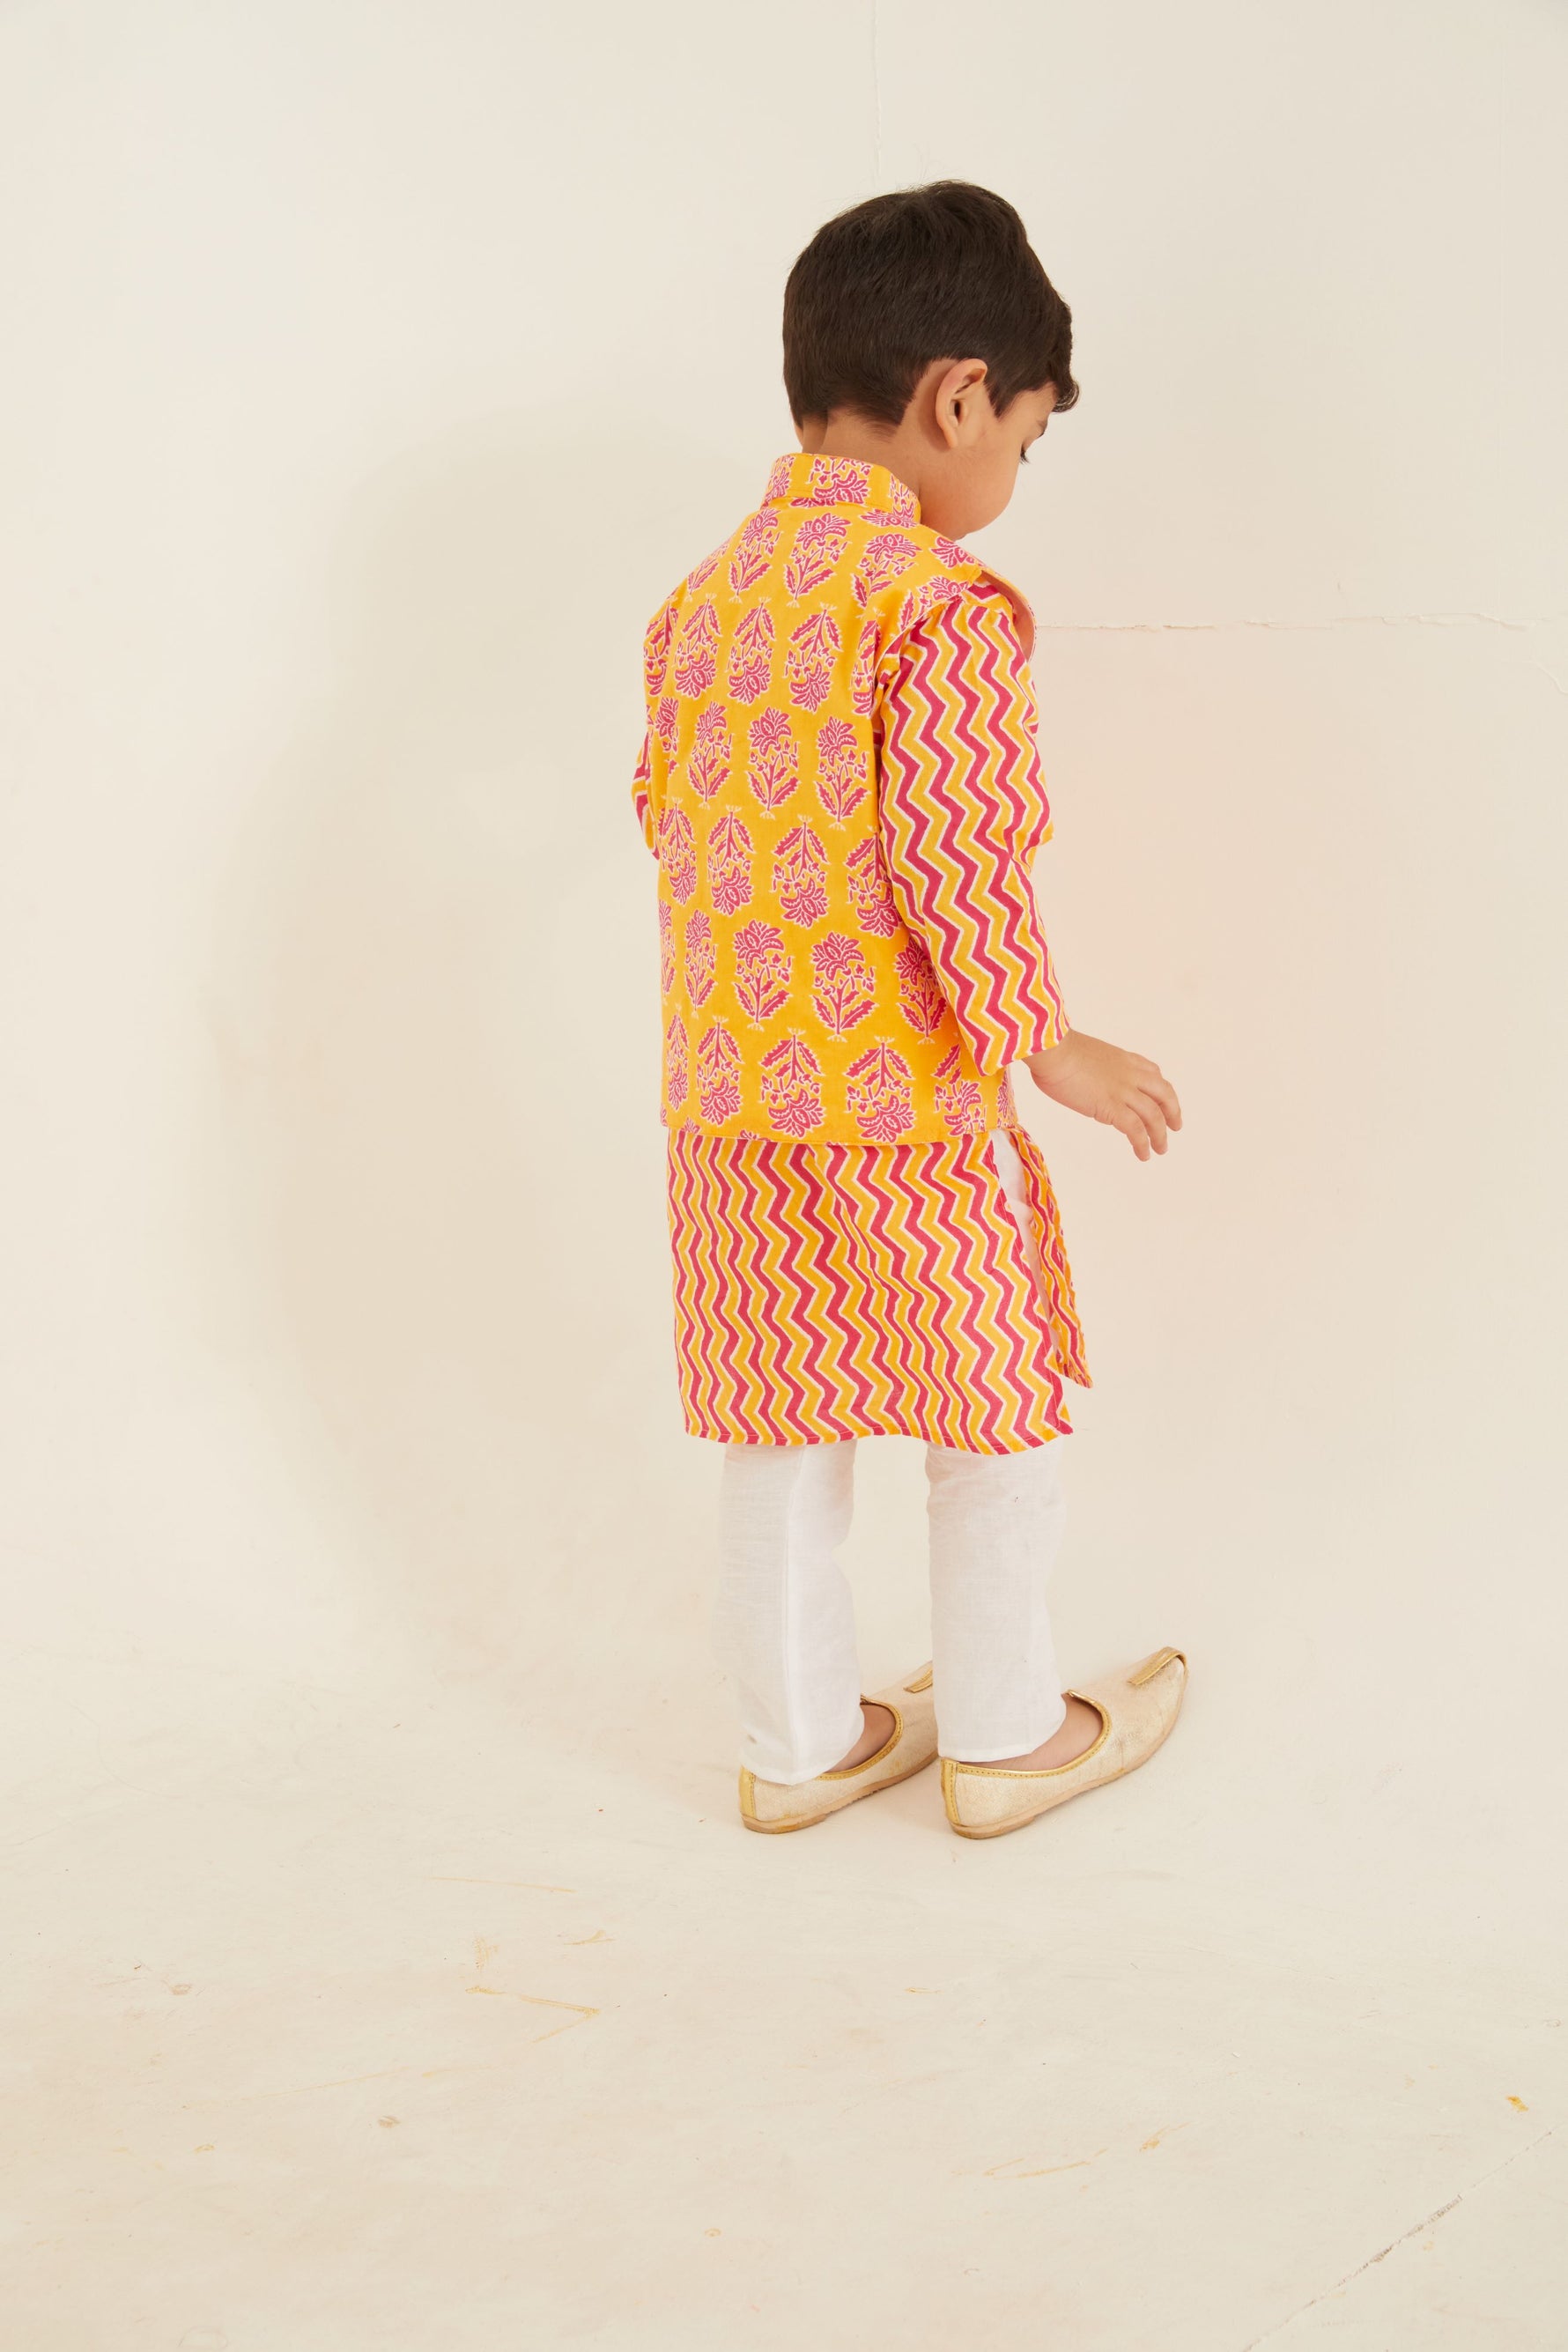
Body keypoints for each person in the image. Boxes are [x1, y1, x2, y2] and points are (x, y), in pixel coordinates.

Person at [632, 181, 1187, 1840]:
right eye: (1024, 435)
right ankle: (1008, 1732)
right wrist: (1048, 1041)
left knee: (779, 1427)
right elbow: (962, 855)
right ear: (959, 396)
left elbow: (666, 818)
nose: (1011, 469)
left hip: (730, 1114)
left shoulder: (699, 604)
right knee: (992, 1413)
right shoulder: (934, 606)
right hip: (906, 1118)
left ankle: (796, 1742)